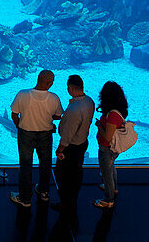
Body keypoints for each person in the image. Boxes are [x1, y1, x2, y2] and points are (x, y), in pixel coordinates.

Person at [9, 70, 63, 208]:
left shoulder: (22, 94)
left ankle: (25, 198)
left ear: (38, 79)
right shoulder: (54, 98)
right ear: (50, 83)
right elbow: (58, 116)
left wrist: (19, 126)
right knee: (45, 164)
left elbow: (14, 114)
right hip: (45, 134)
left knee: (25, 165)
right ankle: (44, 192)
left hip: (25, 133)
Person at [53, 74, 94, 211]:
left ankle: (65, 202)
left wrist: (60, 150)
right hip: (83, 143)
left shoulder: (73, 110)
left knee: (62, 174)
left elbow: (67, 136)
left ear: (70, 87)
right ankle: (73, 199)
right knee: (76, 172)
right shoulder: (89, 101)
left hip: (71, 148)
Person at [94, 80, 129, 209]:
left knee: (106, 173)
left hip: (107, 148)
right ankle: (114, 189)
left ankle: (108, 200)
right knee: (111, 168)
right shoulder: (118, 110)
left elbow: (108, 137)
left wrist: (99, 126)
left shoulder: (113, 115)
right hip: (112, 149)